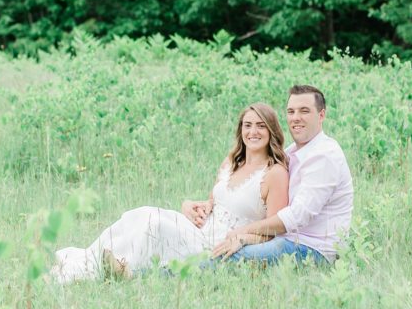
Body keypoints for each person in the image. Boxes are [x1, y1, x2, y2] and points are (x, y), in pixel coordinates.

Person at [50, 102, 290, 282]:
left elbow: (274, 229)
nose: (253, 132)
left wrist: (242, 239)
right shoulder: (231, 161)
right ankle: (88, 260)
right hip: (200, 229)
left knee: (155, 225)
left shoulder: (274, 173)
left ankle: (124, 270)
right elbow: (214, 202)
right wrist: (190, 206)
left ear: (271, 131)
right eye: (248, 126)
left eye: (261, 126)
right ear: (241, 131)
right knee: (142, 214)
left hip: (217, 245)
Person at [211, 85, 353, 265]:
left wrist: (242, 232)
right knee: (226, 245)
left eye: (304, 111)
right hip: (285, 239)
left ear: (321, 115)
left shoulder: (325, 155)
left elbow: (296, 216)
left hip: (312, 248)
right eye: (291, 111)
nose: (296, 118)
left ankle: (177, 272)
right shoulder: (292, 152)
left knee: (233, 256)